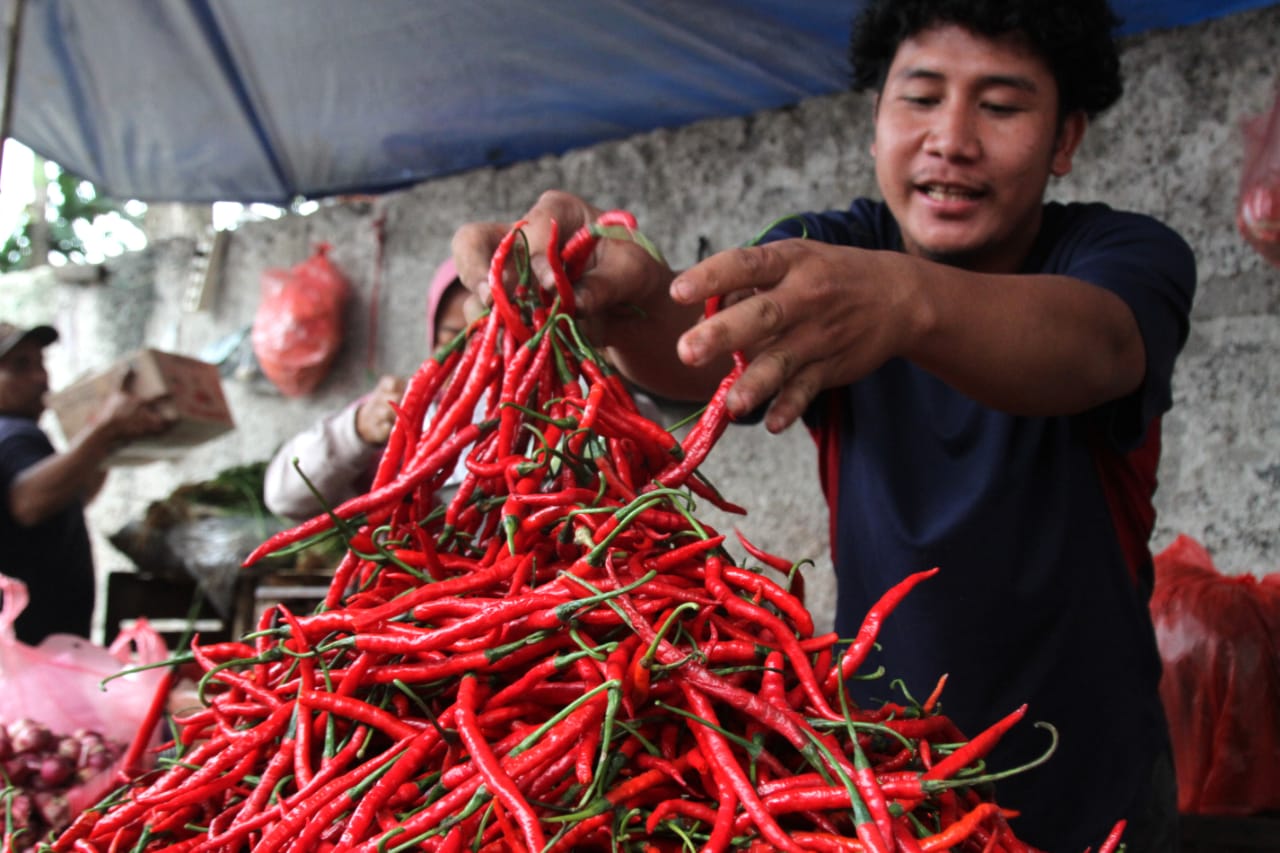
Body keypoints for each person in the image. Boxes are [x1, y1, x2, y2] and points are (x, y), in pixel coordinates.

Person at [451, 1, 1194, 849]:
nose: (951, 138)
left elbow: (1095, 346)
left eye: (1001, 105)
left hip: (1093, 787)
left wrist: (902, 301)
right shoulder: (831, 254)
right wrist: (623, 297)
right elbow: (702, 349)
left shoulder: (1124, 256)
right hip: (874, 781)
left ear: (1066, 139)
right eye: (919, 98)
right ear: (873, 123)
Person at [0, 322, 176, 644]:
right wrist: (104, 430)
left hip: (43, 642)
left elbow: (72, 499)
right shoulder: (11, 434)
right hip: (29, 647)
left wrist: (103, 442)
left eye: (42, 363)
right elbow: (29, 504)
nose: (41, 378)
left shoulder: (20, 435)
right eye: (20, 366)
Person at [263, 258, 469, 520]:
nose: (475, 354)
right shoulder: (404, 407)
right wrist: (356, 432)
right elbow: (285, 498)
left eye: (493, 334)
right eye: (454, 339)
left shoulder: (532, 414)